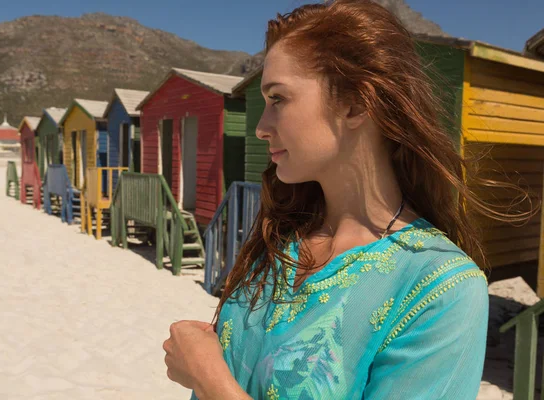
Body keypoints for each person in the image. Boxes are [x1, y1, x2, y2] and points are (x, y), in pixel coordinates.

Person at [162, 1, 532, 398]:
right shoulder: (279, 238)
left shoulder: (441, 290)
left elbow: (217, 378)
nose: (260, 128)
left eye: (279, 99)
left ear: (355, 103)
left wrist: (208, 378)